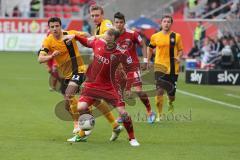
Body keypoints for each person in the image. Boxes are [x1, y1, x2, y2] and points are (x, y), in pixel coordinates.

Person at [38, 17, 122, 140]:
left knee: (69, 93)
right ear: (49, 28)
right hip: (66, 75)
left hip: (79, 69)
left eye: (57, 26)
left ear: (61, 26)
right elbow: (40, 59)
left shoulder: (70, 33)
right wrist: (51, 56)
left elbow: (87, 35)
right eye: (52, 27)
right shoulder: (48, 41)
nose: (55, 29)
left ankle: (78, 126)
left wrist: (80, 37)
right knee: (93, 101)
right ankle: (115, 125)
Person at [66, 28, 140, 146]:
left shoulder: (121, 53)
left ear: (113, 40)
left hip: (110, 87)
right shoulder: (98, 43)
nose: (103, 38)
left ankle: (132, 138)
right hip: (92, 85)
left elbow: (132, 69)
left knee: (123, 113)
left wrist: (128, 87)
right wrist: (75, 37)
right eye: (104, 36)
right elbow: (86, 42)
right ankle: (83, 133)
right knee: (81, 107)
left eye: (106, 37)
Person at [113, 12, 156, 124]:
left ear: (124, 23)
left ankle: (150, 112)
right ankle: (122, 114)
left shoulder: (133, 34)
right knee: (120, 92)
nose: (119, 24)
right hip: (119, 68)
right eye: (117, 22)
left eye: (121, 22)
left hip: (133, 66)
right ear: (114, 23)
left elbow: (143, 45)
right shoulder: (112, 35)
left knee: (139, 91)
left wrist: (146, 60)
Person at [147, 15, 183, 122]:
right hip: (159, 67)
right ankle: (159, 114)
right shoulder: (155, 36)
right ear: (161, 23)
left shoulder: (177, 36)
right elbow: (150, 49)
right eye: (164, 21)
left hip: (173, 69)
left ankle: (170, 102)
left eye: (168, 22)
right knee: (159, 91)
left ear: (171, 24)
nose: (166, 23)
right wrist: (148, 61)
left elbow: (181, 50)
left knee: (172, 95)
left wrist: (178, 57)